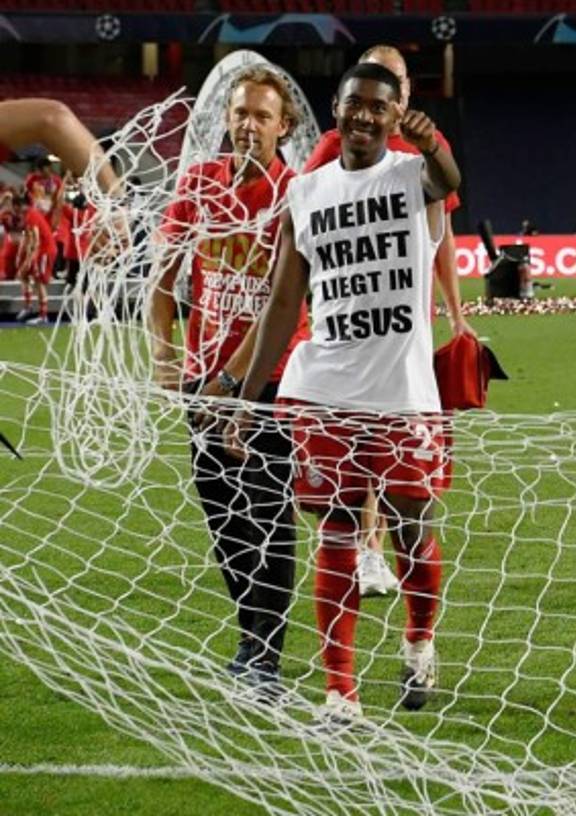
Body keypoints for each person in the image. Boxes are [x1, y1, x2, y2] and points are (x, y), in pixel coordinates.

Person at [233, 62, 461, 722]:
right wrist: (249, 400)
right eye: (354, 103)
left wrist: (433, 144)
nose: (364, 114)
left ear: (394, 115)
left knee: (413, 531)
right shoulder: (305, 192)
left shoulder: (414, 177)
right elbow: (283, 302)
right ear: (335, 108)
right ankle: (340, 690)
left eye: (378, 106)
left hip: (405, 393)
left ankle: (420, 642)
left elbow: (450, 180)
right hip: (324, 390)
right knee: (335, 532)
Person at [147, 65, 308, 692]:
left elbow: (282, 304)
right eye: (239, 113)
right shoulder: (198, 184)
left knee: (267, 512)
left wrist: (234, 387)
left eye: (261, 116)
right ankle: (250, 634)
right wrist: (166, 358)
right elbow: (162, 281)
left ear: (284, 126)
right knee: (222, 515)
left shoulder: (299, 194)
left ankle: (264, 652)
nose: (247, 125)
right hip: (202, 379)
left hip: (268, 380)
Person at [302, 44, 476, 599]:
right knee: (355, 455)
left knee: (398, 470)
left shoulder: (426, 147)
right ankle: (367, 551)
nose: (380, 103)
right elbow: (307, 219)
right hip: (346, 325)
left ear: (405, 97)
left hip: (406, 326)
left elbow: (443, 224)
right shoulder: (334, 144)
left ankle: (385, 559)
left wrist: (453, 308)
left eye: (395, 87)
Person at [0, 100, 121, 196]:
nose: (46, 171)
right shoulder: (33, 179)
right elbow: (53, 118)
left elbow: (52, 118)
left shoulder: (55, 180)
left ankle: (115, 202)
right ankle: (116, 202)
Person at [13, 194, 56, 325]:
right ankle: (28, 306)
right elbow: (27, 238)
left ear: (19, 206)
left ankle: (43, 316)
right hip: (40, 250)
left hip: (44, 251)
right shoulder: (29, 216)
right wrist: (20, 256)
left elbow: (36, 241)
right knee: (23, 275)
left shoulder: (31, 216)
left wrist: (29, 259)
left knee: (39, 281)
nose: (15, 211)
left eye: (15, 208)